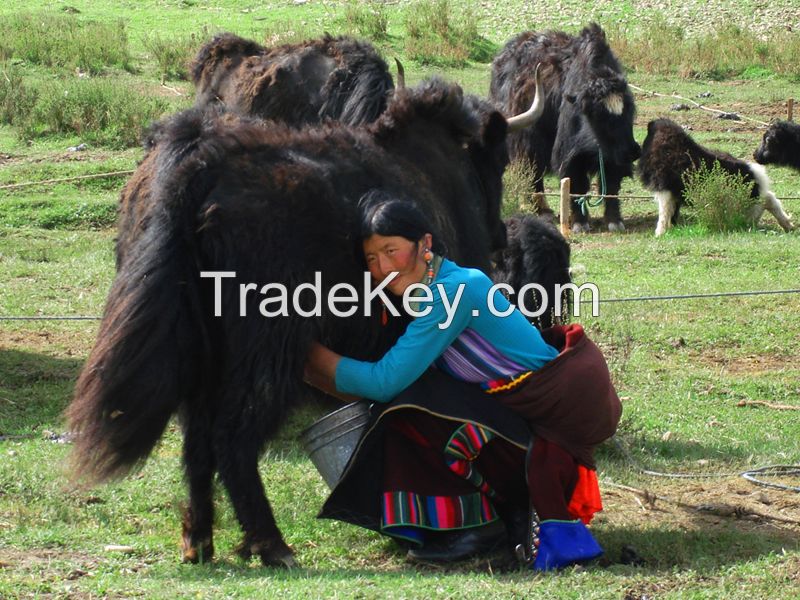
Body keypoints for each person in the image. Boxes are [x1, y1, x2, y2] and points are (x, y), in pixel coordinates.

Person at [305, 190, 622, 571]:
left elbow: (383, 381)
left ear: (424, 244)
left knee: (409, 404)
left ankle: (481, 526)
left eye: (392, 250)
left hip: (541, 451)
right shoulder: (427, 292)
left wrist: (302, 351)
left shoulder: (454, 292)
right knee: (416, 396)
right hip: (519, 434)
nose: (383, 268)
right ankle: (467, 519)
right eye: (372, 258)